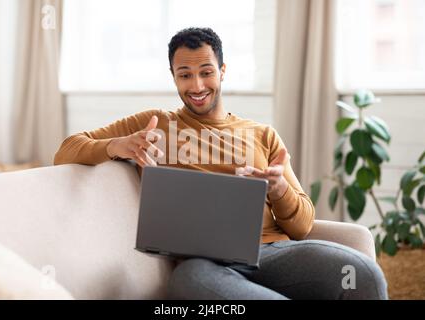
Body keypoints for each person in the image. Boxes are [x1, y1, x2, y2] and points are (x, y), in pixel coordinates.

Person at [54, 27, 388, 300]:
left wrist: (279, 187)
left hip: (272, 254)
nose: (197, 86)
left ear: (223, 71)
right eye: (185, 75)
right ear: (173, 77)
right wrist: (119, 145)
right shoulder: (154, 123)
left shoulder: (262, 135)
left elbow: (302, 226)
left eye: (206, 72)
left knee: (363, 276)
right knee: (188, 282)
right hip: (204, 266)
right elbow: (66, 150)